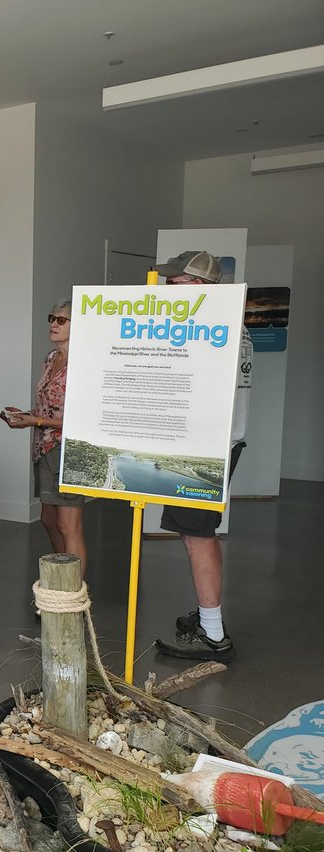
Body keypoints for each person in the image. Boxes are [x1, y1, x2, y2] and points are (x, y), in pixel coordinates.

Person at [152, 250, 251, 662]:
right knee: (195, 534)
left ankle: (213, 635)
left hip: (203, 449)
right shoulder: (231, 323)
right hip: (212, 445)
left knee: (198, 536)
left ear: (199, 285)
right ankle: (209, 617)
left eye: (176, 282)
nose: (169, 288)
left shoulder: (210, 324)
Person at [2, 300, 88, 578]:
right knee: (49, 519)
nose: (54, 323)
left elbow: (82, 418)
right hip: (44, 446)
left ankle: (72, 593)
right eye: (52, 317)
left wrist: (36, 421)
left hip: (70, 449)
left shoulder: (85, 362)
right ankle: (62, 578)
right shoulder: (52, 359)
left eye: (62, 320)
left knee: (68, 524)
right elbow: (47, 409)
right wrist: (25, 416)